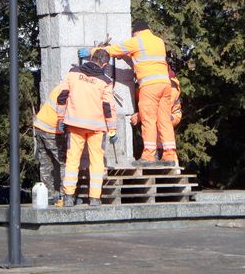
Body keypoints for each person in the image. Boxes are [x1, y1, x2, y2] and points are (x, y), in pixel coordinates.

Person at [78, 20, 177, 166]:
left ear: (135, 32)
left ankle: (149, 155)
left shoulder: (136, 41)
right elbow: (144, 59)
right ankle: (170, 155)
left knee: (148, 119)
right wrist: (127, 56)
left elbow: (113, 50)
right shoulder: (158, 42)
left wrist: (92, 51)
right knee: (164, 120)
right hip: (165, 85)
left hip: (149, 86)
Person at [57, 49, 117, 207]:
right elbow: (108, 107)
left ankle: (69, 197)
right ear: (104, 64)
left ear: (91, 58)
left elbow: (62, 96)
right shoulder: (105, 81)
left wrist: (60, 119)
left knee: (72, 160)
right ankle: (95, 198)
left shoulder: (73, 73)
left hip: (75, 125)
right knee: (97, 162)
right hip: (97, 128)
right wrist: (112, 130)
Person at [131, 65, 182, 164]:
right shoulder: (147, 81)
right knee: (155, 122)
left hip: (172, 115)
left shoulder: (172, 87)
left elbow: (161, 106)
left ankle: (171, 158)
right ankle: (158, 153)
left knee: (161, 121)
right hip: (155, 111)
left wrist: (139, 116)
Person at [33, 84, 66, 204]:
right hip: (51, 130)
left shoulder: (60, 86)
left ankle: (47, 196)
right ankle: (65, 195)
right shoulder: (69, 90)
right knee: (65, 162)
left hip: (40, 126)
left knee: (45, 162)